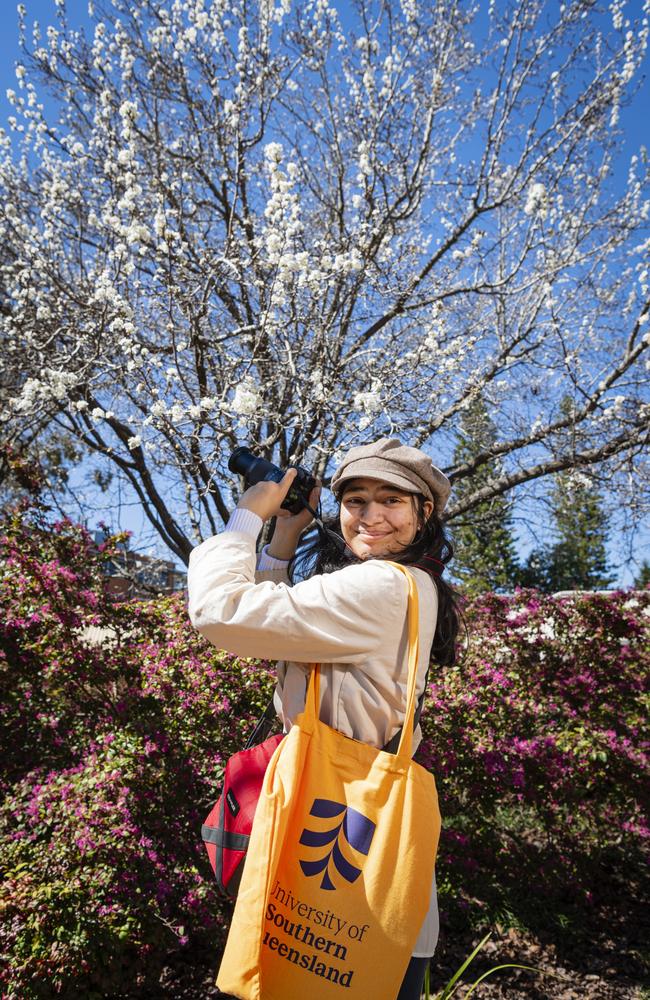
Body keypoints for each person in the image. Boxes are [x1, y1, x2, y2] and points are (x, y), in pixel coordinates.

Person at [187, 438, 461, 1000]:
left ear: (423, 513)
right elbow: (275, 629)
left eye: (392, 500)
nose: (371, 515)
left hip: (344, 863)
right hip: (351, 859)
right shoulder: (400, 585)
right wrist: (285, 537)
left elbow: (221, 613)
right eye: (355, 500)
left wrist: (249, 516)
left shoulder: (381, 585)